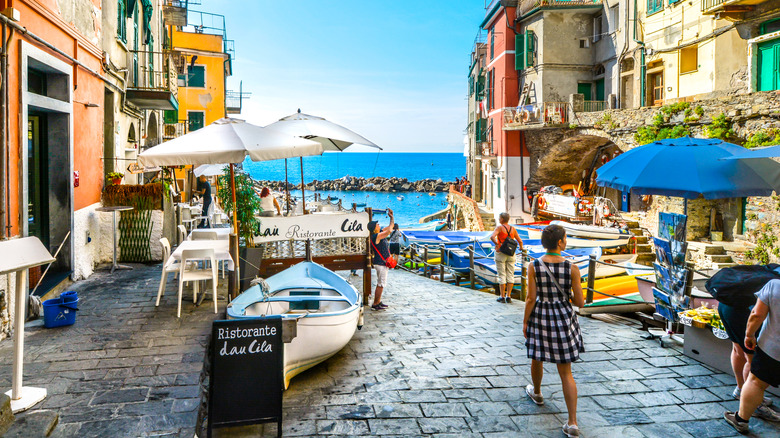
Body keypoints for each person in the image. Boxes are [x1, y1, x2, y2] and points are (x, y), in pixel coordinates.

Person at [524, 224, 584, 438]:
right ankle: (572, 423)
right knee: (566, 372)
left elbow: (531, 298)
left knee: (536, 357)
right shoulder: (572, 268)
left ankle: (537, 393)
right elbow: (580, 302)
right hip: (563, 317)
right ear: (559, 243)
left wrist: (525, 322)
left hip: (541, 315)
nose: (566, 240)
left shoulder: (534, 265)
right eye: (565, 238)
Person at [725, 279, 780, 433]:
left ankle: (741, 420)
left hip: (772, 349)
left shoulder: (774, 285)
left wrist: (749, 335)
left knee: (756, 383)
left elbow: (756, 315)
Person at [490, 212, 523, 303]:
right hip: (511, 253)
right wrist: (521, 248)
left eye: (499, 218)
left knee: (502, 275)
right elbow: (520, 241)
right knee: (510, 274)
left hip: (501, 253)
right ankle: (508, 296)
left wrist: (497, 244)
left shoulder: (499, 228)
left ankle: (502, 296)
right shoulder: (513, 229)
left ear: (502, 219)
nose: (499, 219)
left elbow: (492, 237)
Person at [368, 209, 394, 311]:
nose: (379, 225)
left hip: (382, 263)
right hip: (381, 263)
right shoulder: (376, 236)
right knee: (381, 284)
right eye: (377, 224)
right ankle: (376, 303)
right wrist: (391, 219)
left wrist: (392, 217)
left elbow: (390, 227)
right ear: (374, 228)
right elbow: (389, 231)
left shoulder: (379, 234)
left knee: (381, 283)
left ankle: (378, 301)